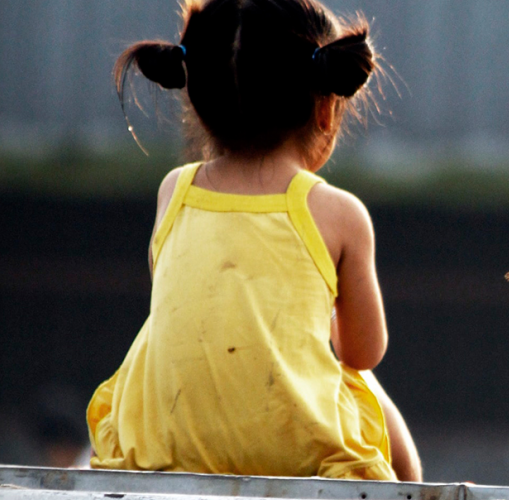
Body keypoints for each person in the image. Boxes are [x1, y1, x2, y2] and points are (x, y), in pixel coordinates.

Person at [86, 0, 420, 481]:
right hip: (296, 455)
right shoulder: (339, 213)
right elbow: (363, 353)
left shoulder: (172, 192)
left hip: (158, 444)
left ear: (198, 103)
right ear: (326, 109)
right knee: (370, 393)